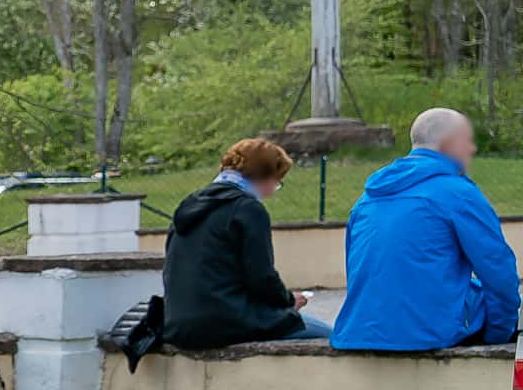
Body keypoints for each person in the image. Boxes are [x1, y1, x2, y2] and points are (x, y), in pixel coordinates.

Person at [331, 107, 519, 353]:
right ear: (448, 142)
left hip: (357, 332)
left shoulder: (366, 199)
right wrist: (499, 335)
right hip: (426, 333)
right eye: (468, 141)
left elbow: (359, 269)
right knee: (495, 300)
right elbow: (498, 270)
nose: (472, 149)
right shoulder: (458, 193)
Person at [159, 139, 316, 348]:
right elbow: (261, 277)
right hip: (228, 321)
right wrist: (288, 301)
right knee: (329, 336)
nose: (272, 191)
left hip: (178, 323)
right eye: (277, 182)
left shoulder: (191, 205)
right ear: (264, 176)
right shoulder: (248, 209)